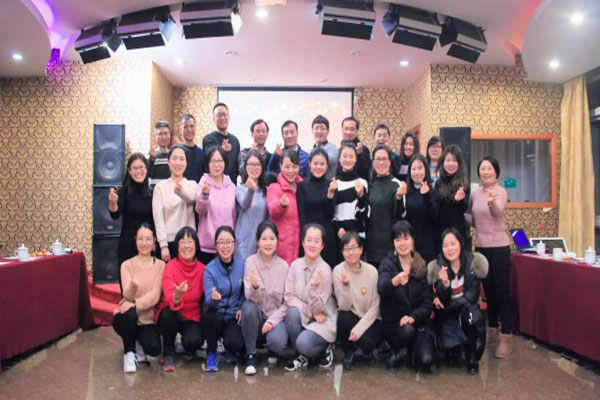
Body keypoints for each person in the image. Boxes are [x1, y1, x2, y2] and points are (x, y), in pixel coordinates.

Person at [465, 156, 512, 358]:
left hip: (499, 248)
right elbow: (471, 217)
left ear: (496, 172)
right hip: (480, 248)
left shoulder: (500, 192)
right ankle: (492, 329)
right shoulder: (475, 194)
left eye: (489, 168)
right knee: (488, 291)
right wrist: (455, 207)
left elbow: (498, 213)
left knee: (502, 293)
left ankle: (506, 336)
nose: (485, 172)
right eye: (482, 169)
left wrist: (492, 203)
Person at [428, 229, 488, 374]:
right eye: (445, 245)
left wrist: (449, 306)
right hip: (447, 313)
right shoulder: (438, 266)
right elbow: (442, 299)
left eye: (453, 244)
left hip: (465, 309)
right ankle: (451, 349)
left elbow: (472, 295)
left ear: (460, 244)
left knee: (470, 314)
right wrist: (445, 284)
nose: (450, 249)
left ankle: (472, 354)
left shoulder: (473, 263)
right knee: (440, 314)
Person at [378, 221, 435, 372]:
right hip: (394, 324)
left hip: (418, 322)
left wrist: (413, 317)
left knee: (426, 361)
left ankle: (412, 351)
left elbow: (427, 302)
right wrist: (395, 282)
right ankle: (394, 350)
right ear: (393, 242)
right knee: (406, 331)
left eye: (406, 238)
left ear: (413, 240)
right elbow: (381, 288)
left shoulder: (421, 266)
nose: (402, 243)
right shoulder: (387, 264)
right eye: (397, 239)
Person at [112, 223, 165, 373]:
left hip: (147, 320)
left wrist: (135, 304)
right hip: (127, 316)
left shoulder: (161, 266)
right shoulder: (126, 265)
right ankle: (129, 353)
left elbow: (155, 296)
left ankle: (138, 340)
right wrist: (132, 286)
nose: (144, 243)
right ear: (135, 241)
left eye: (148, 239)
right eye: (140, 239)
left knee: (154, 349)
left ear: (154, 241)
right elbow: (127, 296)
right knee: (129, 314)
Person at [284, 223, 337, 371]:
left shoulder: (325, 270)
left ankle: (326, 346)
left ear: (322, 245)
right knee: (292, 313)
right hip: (307, 314)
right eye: (309, 240)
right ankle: (301, 356)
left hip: (323, 318)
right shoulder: (295, 265)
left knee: (304, 343)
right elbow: (288, 296)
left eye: (316, 241)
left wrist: (313, 287)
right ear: (302, 242)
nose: (312, 244)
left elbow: (318, 307)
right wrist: (308, 310)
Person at [241, 221, 289, 375]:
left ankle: (272, 350)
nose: (268, 243)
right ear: (257, 241)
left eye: (272, 239)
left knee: (278, 342)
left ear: (277, 241)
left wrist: (272, 321)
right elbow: (249, 297)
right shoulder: (250, 262)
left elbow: (286, 303)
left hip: (275, 318)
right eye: (264, 239)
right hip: (257, 316)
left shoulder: (284, 266)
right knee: (247, 307)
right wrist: (254, 287)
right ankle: (251, 355)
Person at [155, 226, 205, 371]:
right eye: (183, 242)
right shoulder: (170, 266)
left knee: (194, 341)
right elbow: (169, 297)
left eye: (190, 242)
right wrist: (177, 295)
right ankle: (168, 352)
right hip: (171, 314)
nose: (187, 246)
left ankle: (186, 345)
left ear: (196, 245)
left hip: (192, 316)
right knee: (170, 315)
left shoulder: (202, 269)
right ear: (177, 246)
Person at [333, 231, 381, 371]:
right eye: (346, 249)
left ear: (361, 249)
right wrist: (346, 285)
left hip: (369, 318)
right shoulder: (338, 271)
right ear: (342, 252)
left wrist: (359, 329)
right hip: (351, 316)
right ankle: (349, 352)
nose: (350, 252)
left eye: (354, 248)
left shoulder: (372, 271)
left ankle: (367, 352)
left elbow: (375, 307)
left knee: (368, 341)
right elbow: (344, 306)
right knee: (343, 318)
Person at [109, 152, 154, 292]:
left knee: (147, 288)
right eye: (134, 168)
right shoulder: (122, 192)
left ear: (146, 169)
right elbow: (115, 214)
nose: (138, 171)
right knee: (128, 289)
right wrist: (112, 202)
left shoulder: (152, 192)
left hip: (147, 246)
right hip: (128, 245)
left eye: (141, 167)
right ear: (129, 170)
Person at [203, 226, 246, 372]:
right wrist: (214, 299)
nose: (225, 246)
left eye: (228, 242)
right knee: (210, 315)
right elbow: (208, 299)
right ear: (216, 245)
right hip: (215, 314)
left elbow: (244, 292)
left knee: (236, 343)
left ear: (234, 244)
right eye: (221, 242)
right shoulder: (210, 269)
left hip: (232, 316)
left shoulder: (242, 265)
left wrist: (240, 306)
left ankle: (229, 348)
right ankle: (211, 353)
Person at [152, 145, 197, 263]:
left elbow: (192, 198)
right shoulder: (160, 187)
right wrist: (163, 245)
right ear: (168, 162)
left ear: (186, 163)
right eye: (174, 158)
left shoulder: (192, 184)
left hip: (188, 242)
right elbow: (158, 218)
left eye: (182, 159)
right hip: (168, 243)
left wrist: (181, 192)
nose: (178, 163)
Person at [195, 147, 236, 265]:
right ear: (208, 164)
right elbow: (200, 210)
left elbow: (234, 216)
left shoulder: (231, 186)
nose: (216, 165)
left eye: (220, 161)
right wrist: (205, 195)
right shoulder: (203, 183)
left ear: (225, 163)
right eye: (213, 161)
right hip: (207, 247)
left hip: (227, 247)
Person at [297, 148, 336, 268]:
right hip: (309, 237)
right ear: (309, 163)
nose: (319, 167)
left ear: (327, 165)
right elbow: (302, 216)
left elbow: (330, 215)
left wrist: (330, 194)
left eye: (322, 164)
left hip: (327, 238)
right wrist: (305, 239)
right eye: (315, 163)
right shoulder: (302, 186)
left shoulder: (331, 185)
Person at [366, 145, 404, 269]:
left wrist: (399, 197)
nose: (381, 163)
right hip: (371, 246)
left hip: (389, 247)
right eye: (378, 159)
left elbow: (401, 216)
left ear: (389, 161)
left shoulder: (396, 184)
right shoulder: (370, 184)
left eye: (384, 159)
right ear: (373, 162)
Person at [332, 143, 370, 264]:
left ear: (355, 159)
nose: (347, 159)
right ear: (339, 158)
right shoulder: (334, 183)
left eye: (351, 156)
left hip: (358, 238)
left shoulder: (362, 183)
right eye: (344, 156)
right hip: (340, 237)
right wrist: (338, 229)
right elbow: (330, 213)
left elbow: (365, 215)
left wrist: (361, 196)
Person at [397, 154, 439, 263]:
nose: (416, 172)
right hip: (409, 244)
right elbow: (400, 216)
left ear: (426, 170)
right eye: (413, 169)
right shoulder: (406, 192)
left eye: (420, 168)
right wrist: (399, 198)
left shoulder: (432, 192)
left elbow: (434, 216)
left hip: (427, 245)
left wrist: (426, 196)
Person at [266, 150, 303, 265]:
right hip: (281, 249)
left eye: (294, 167)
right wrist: (282, 205)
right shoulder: (274, 188)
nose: (291, 171)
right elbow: (272, 210)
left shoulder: (303, 187)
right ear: (280, 166)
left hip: (301, 248)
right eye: (287, 167)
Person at [434, 144, 471, 252]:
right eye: (448, 160)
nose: (451, 164)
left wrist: (460, 200)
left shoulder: (464, 183)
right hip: (440, 231)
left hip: (458, 231)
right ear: (443, 162)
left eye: (454, 160)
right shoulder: (438, 183)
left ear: (459, 163)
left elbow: (465, 209)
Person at [234, 149, 268, 261]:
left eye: (257, 165)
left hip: (260, 244)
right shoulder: (239, 189)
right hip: (241, 245)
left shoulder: (266, 191)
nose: (254, 168)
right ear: (245, 167)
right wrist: (251, 190)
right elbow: (245, 204)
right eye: (251, 164)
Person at [202, 103, 241, 184]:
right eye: (219, 115)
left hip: (231, 186)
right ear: (213, 119)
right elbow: (210, 163)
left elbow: (237, 166)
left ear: (229, 116)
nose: (222, 118)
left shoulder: (235, 140)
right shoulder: (208, 139)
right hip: (214, 186)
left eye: (224, 114)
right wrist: (223, 151)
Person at [341, 117, 370, 181]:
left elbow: (366, 174)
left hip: (359, 184)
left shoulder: (364, 150)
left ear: (357, 131)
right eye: (346, 129)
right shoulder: (339, 149)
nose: (348, 132)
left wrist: (359, 156)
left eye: (352, 129)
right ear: (342, 130)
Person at [179, 114, 205, 183]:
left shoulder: (202, 153)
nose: (189, 130)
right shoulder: (178, 153)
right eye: (185, 127)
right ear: (180, 130)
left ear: (195, 127)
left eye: (191, 126)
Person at [148, 120, 174, 189]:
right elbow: (146, 175)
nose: (163, 137)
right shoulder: (151, 154)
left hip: (170, 191)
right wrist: (152, 159)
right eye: (160, 134)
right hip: (155, 192)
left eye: (166, 133)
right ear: (155, 136)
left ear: (170, 135)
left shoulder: (173, 155)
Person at [312, 115, 338, 179]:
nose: (319, 131)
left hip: (329, 184)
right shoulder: (310, 150)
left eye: (322, 128)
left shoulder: (332, 148)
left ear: (328, 131)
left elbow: (331, 160)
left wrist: (319, 150)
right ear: (312, 130)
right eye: (316, 128)